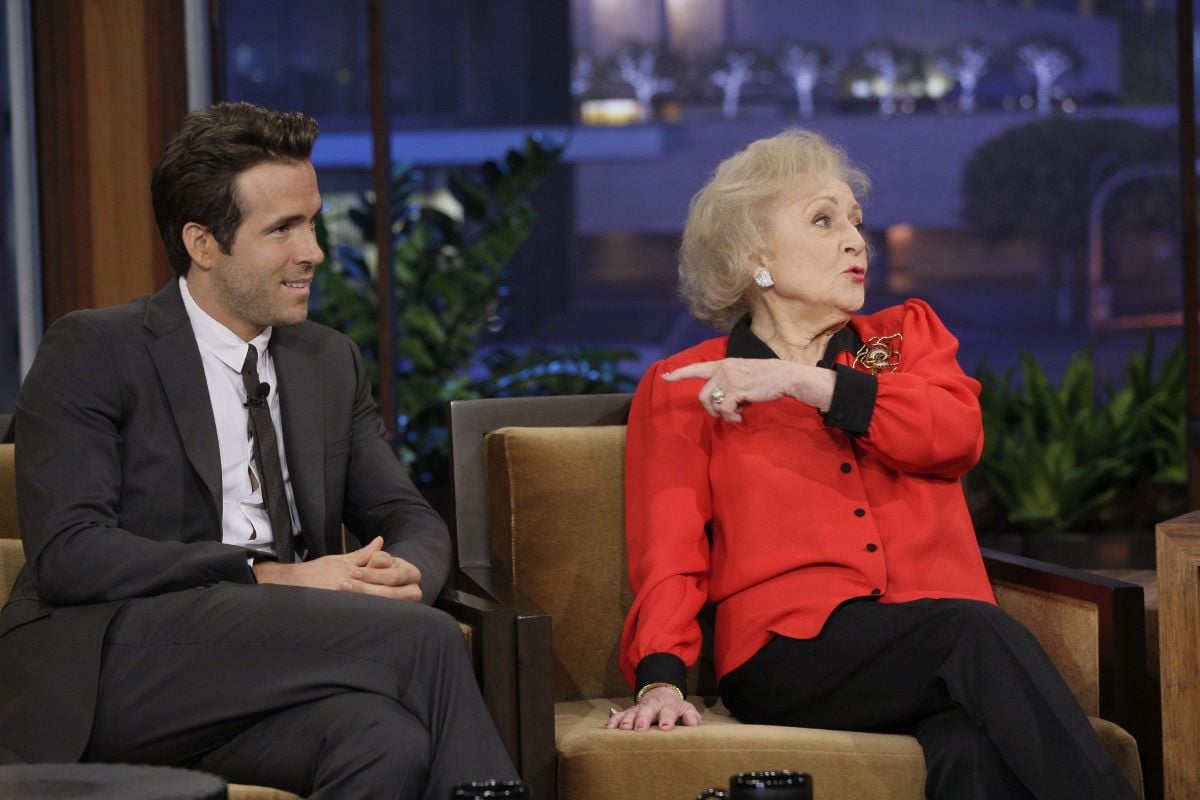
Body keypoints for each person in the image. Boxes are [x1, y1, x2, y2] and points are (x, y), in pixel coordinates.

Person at [0, 101, 517, 799]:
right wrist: (272, 577)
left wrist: (404, 575)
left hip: (265, 670)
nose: (314, 251)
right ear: (202, 244)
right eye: (283, 229)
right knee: (421, 640)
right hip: (115, 667)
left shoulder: (328, 361)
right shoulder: (95, 350)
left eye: (311, 221)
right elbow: (70, 553)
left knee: (384, 743)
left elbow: (407, 513)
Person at [605, 129, 1137, 800]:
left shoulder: (901, 339)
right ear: (754, 258)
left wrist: (808, 385)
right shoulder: (688, 382)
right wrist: (660, 675)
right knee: (971, 634)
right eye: (823, 221)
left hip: (934, 646)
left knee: (974, 751)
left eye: (856, 222)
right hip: (792, 653)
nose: (857, 241)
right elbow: (669, 549)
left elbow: (953, 434)